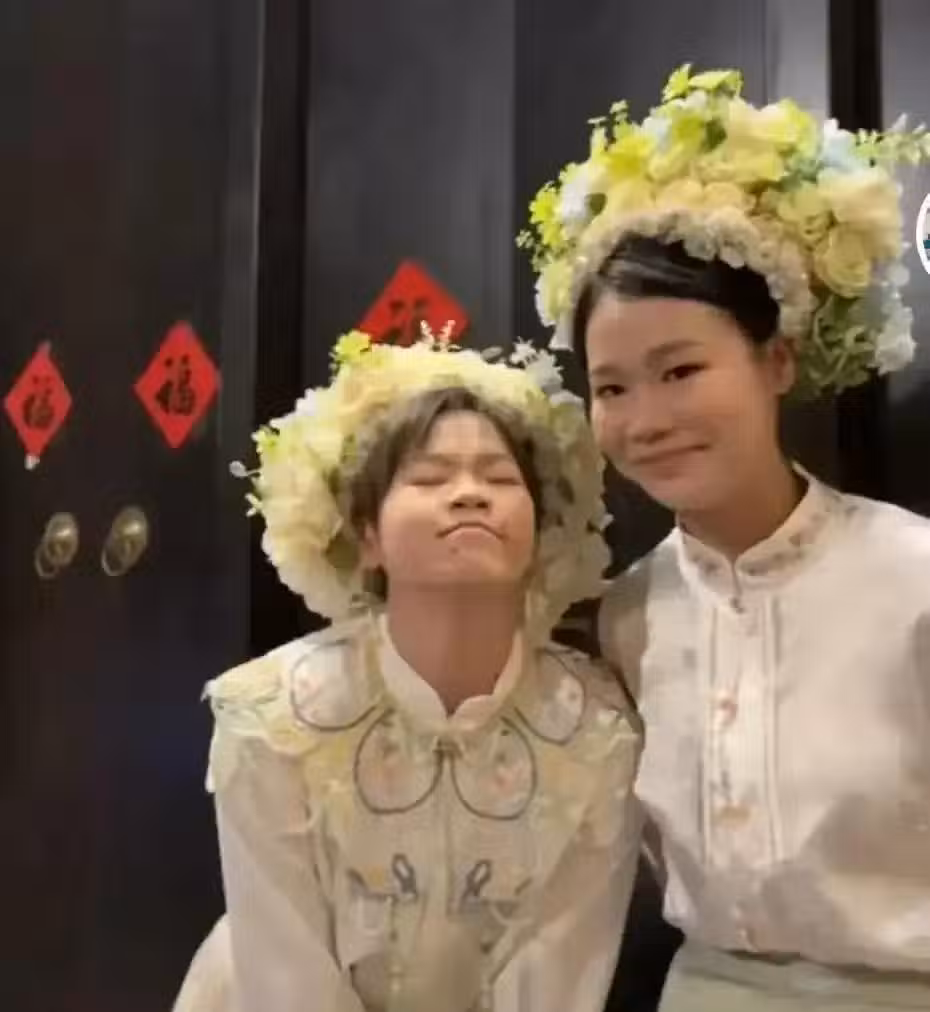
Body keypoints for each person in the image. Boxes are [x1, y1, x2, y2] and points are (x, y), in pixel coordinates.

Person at [521, 64, 930, 1011]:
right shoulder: (628, 613)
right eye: (612, 387)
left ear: (776, 360)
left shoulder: (912, 577)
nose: (646, 419)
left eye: (681, 371)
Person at [172, 329, 643, 1012]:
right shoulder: (272, 719)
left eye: (499, 478)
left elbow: (561, 976)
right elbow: (286, 971)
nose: (469, 494)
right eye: (429, 478)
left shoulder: (595, 732)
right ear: (368, 535)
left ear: (540, 531)